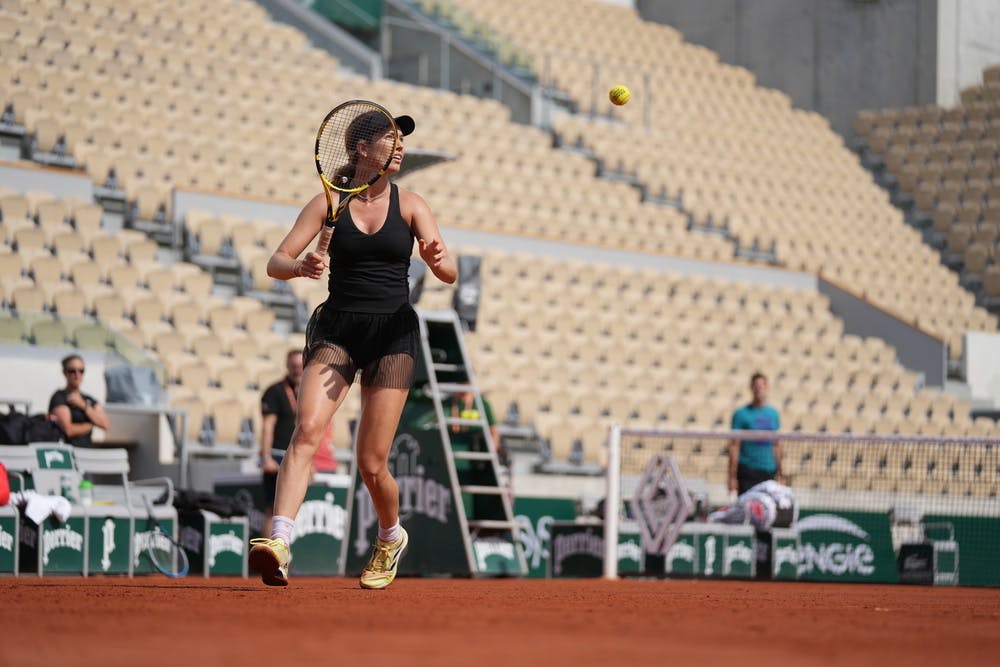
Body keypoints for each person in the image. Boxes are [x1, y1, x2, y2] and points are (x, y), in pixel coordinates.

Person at [249, 109, 456, 589]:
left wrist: (438, 261)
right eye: (390, 138)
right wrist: (300, 267)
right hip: (338, 329)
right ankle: (279, 543)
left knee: (371, 463)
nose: (400, 146)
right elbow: (275, 262)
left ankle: (390, 536)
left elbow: (450, 274)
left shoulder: (412, 204)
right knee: (305, 432)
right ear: (361, 149)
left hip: (393, 336)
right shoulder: (328, 202)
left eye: (401, 139)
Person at [259, 349, 337, 538]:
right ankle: (270, 558)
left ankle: (284, 556)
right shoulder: (275, 391)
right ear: (287, 366)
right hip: (278, 455)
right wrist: (266, 457)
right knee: (274, 508)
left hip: (300, 455)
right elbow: (267, 427)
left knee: (292, 508)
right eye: (293, 366)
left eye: (300, 366)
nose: (297, 370)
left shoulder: (309, 391)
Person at [728, 372, 782, 496]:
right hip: (748, 471)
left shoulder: (773, 414)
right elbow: (734, 446)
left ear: (767, 387)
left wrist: (780, 472)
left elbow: (777, 445)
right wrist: (732, 477)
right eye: (756, 386)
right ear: (751, 388)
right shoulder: (741, 414)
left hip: (769, 471)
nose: (759, 389)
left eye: (762, 386)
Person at [48, 354, 110, 448]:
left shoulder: (88, 400)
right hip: (65, 453)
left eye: (81, 371)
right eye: (72, 371)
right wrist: (90, 425)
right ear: (65, 373)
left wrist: (84, 406)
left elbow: (106, 424)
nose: (77, 375)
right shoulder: (59, 397)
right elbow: (68, 430)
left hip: (86, 453)